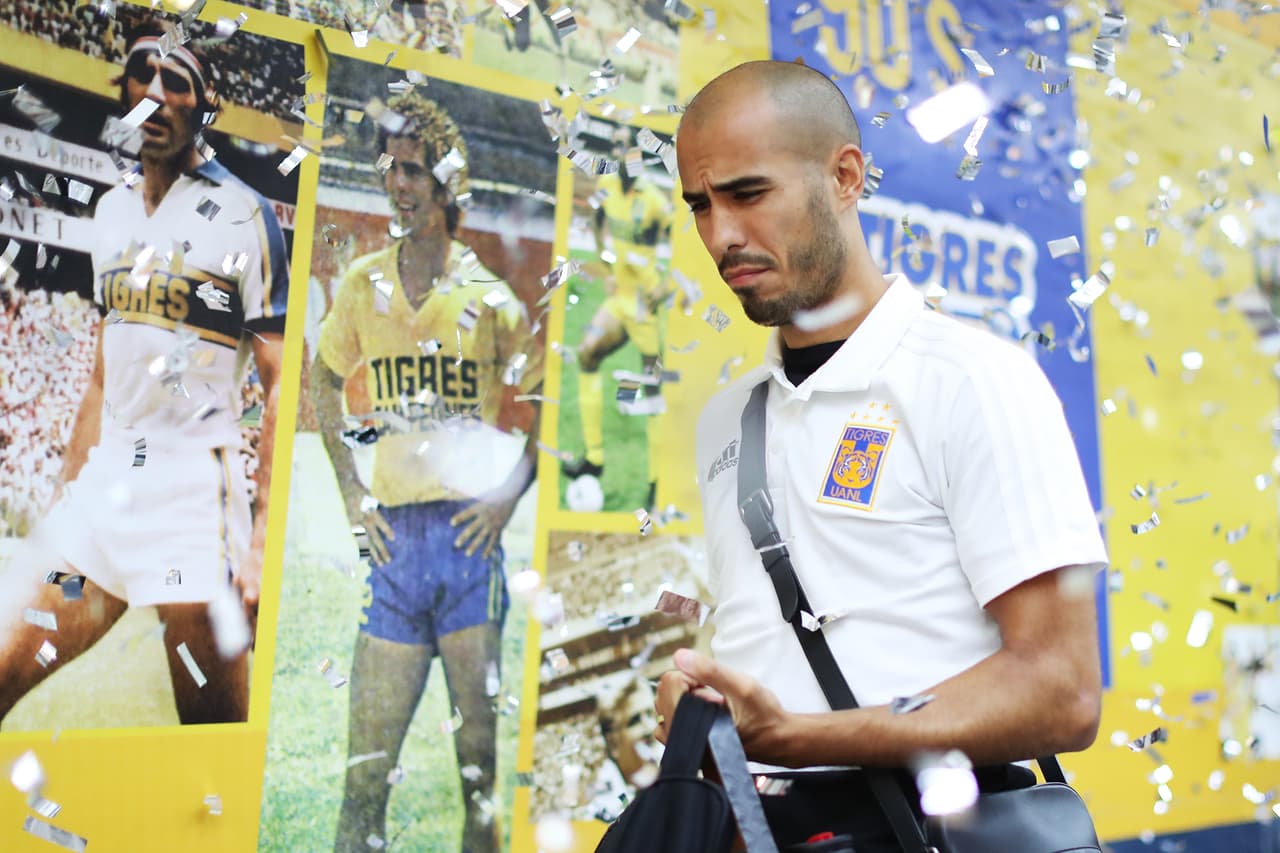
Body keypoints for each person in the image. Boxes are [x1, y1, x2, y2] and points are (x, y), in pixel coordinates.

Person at [654, 60, 1108, 851]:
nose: (721, 235)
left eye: (748, 193)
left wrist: (794, 734)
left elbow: (1060, 691)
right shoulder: (726, 420)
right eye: (700, 205)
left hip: (945, 827)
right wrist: (716, 718)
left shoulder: (973, 379)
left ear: (846, 177)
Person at [0, 18, 287, 726]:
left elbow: (281, 380)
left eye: (177, 81)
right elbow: (103, 371)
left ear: (205, 101)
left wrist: (258, 544)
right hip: (100, 507)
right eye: (142, 74)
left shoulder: (245, 217)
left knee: (211, 736)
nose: (155, 93)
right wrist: (65, 505)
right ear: (124, 88)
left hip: (194, 509)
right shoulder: (112, 209)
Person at [311, 90, 544, 853]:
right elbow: (321, 379)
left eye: (412, 170)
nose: (396, 184)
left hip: (466, 551)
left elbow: (540, 405)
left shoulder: (491, 299)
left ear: (446, 187)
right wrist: (352, 491)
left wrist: (508, 495)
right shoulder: (361, 286)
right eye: (389, 168)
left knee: (478, 783)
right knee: (363, 781)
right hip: (395, 549)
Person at [562, 128, 672, 510]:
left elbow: (693, 250)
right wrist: (606, 265)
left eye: (630, 149)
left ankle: (658, 481)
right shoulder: (606, 186)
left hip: (645, 308)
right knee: (586, 353)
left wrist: (667, 283)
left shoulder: (657, 202)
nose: (623, 154)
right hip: (619, 301)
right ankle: (594, 458)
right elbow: (595, 219)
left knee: (653, 393)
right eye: (618, 147)